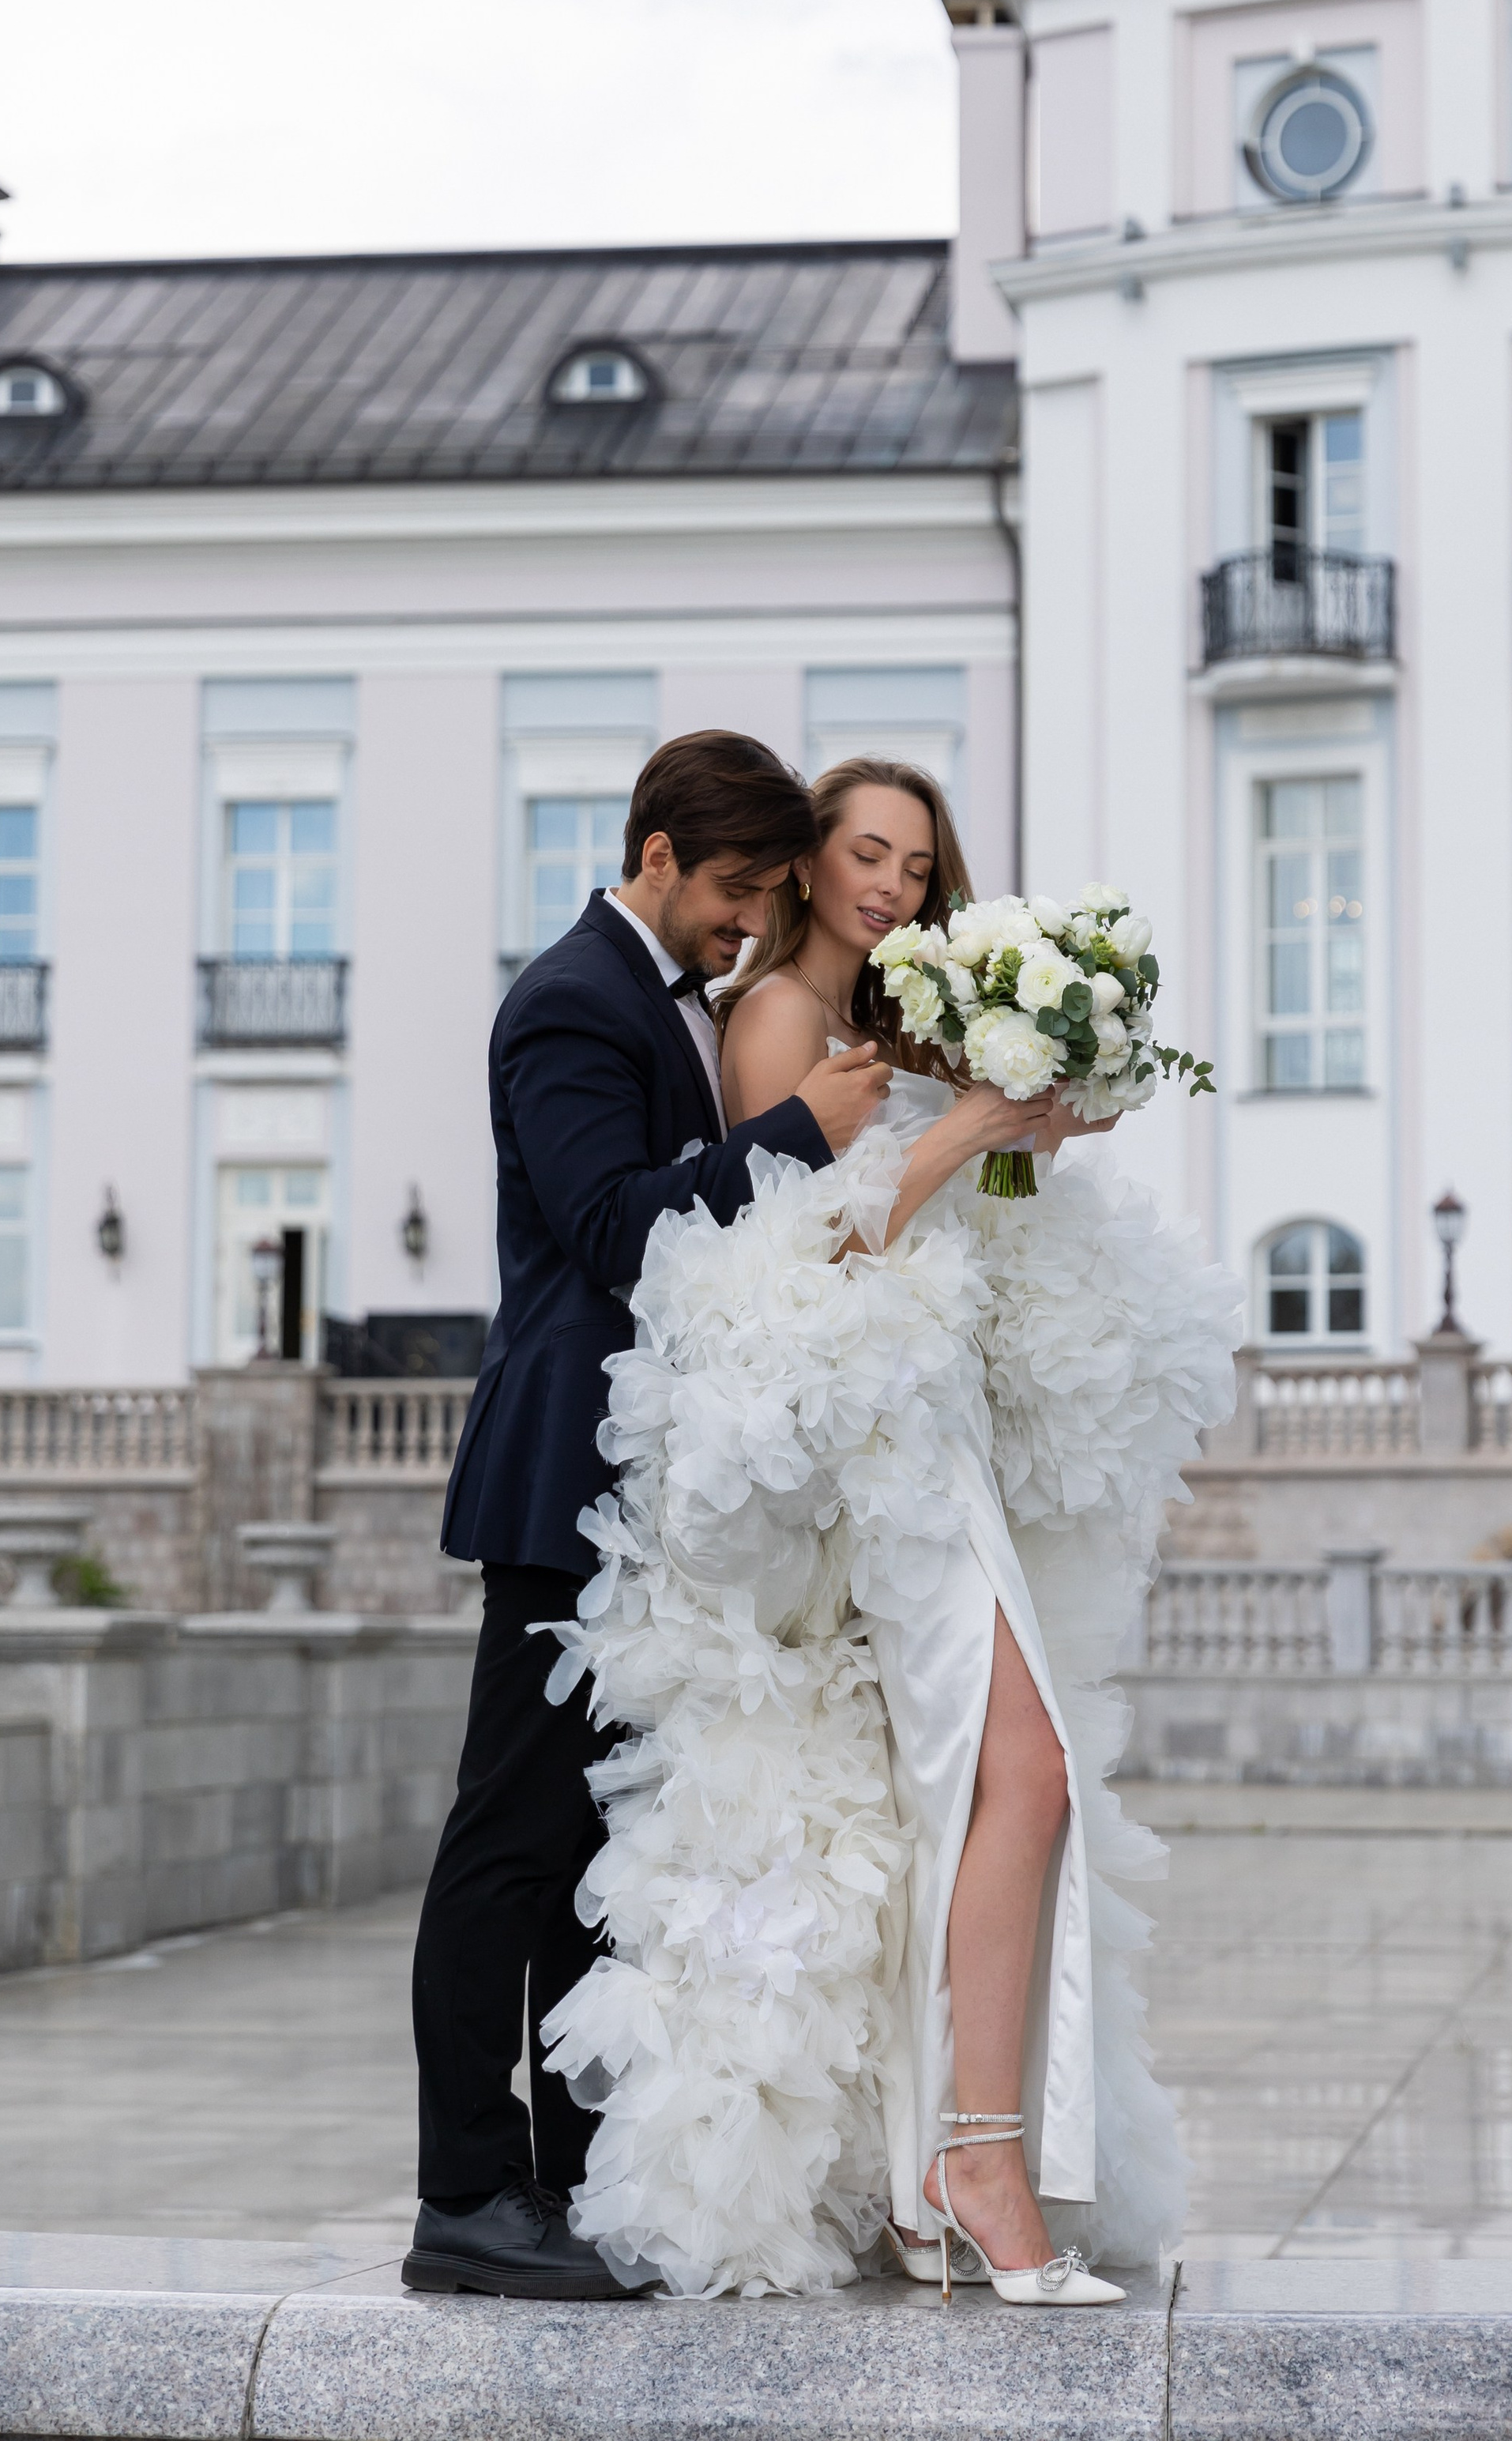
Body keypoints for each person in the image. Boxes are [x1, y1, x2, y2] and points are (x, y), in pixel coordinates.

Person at [540, 759, 1240, 2304]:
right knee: (1024, 1772)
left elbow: (950, 1211)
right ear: (805, 864)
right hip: (877, 1454)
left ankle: (946, 2178)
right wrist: (960, 1126)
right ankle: (974, 2163)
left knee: (972, 1794)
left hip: (945, 1427)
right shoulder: (780, 1019)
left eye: (918, 868)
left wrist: (1029, 1133)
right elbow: (805, 1248)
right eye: (866, 854)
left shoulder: (888, 1019)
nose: (892, 887)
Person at [404, 732, 893, 2302]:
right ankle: (464, 2196)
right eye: (734, 891)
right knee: (504, 1845)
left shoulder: (653, 1002)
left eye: (769, 899)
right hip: (556, 1482)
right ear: (659, 853)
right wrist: (799, 1134)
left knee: (578, 1854)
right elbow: (611, 1225)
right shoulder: (567, 1000)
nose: (746, 926)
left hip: (625, 1493)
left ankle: (551, 2179)